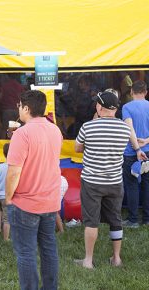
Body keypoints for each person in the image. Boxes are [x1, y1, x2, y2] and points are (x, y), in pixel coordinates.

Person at [5, 90, 62, 290]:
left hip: (25, 202)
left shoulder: (22, 133)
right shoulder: (55, 130)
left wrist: (8, 198)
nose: (18, 109)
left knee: (26, 253)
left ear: (26, 108)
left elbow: (13, 172)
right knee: (49, 250)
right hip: (50, 201)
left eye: (19, 106)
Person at [74, 91, 130, 269]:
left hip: (92, 181)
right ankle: (116, 258)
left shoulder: (88, 127)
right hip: (114, 181)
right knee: (116, 219)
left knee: (91, 221)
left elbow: (77, 148)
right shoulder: (124, 128)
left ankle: (88, 261)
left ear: (99, 106)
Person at [122, 80, 149, 228]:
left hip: (132, 153)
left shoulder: (127, 107)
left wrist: (137, 148)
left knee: (131, 185)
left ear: (131, 91)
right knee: (147, 184)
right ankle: (147, 218)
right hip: (148, 150)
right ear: (145, 92)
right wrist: (146, 141)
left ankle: (133, 220)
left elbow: (129, 129)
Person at [0, 74, 24, 139]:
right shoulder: (20, 86)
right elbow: (23, 98)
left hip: (7, 111)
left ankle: (2, 144)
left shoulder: (5, 86)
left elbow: (0, 98)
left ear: (8, 77)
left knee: (4, 129)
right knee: (18, 129)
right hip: (18, 110)